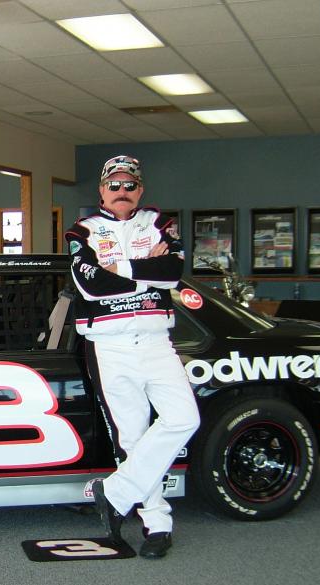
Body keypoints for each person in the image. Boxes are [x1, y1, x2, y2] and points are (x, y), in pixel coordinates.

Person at [65, 155, 200, 559]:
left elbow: (172, 272)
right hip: (110, 346)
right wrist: (144, 270)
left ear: (140, 190)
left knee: (184, 418)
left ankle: (116, 493)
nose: (121, 191)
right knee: (133, 438)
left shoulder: (160, 223)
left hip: (157, 342)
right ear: (101, 190)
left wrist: (117, 266)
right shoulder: (82, 230)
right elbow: (91, 286)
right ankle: (157, 525)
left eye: (129, 185)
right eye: (114, 185)